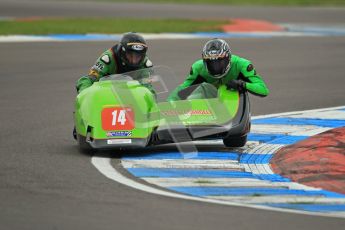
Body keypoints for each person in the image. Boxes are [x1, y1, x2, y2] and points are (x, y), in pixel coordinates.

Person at [167, 38, 269, 101]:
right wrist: (167, 107)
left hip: (235, 103)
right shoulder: (198, 68)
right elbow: (182, 90)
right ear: (204, 61)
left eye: (219, 61)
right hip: (208, 104)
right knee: (199, 91)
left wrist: (242, 84)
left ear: (228, 58)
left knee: (230, 90)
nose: (215, 67)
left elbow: (263, 90)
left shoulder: (242, 65)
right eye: (211, 62)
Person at [76, 32, 153, 93]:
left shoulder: (146, 64)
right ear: (122, 52)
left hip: (132, 94)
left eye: (138, 57)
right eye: (130, 55)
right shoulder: (108, 58)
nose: (134, 60)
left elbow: (147, 87)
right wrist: (85, 94)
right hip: (106, 92)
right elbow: (89, 79)